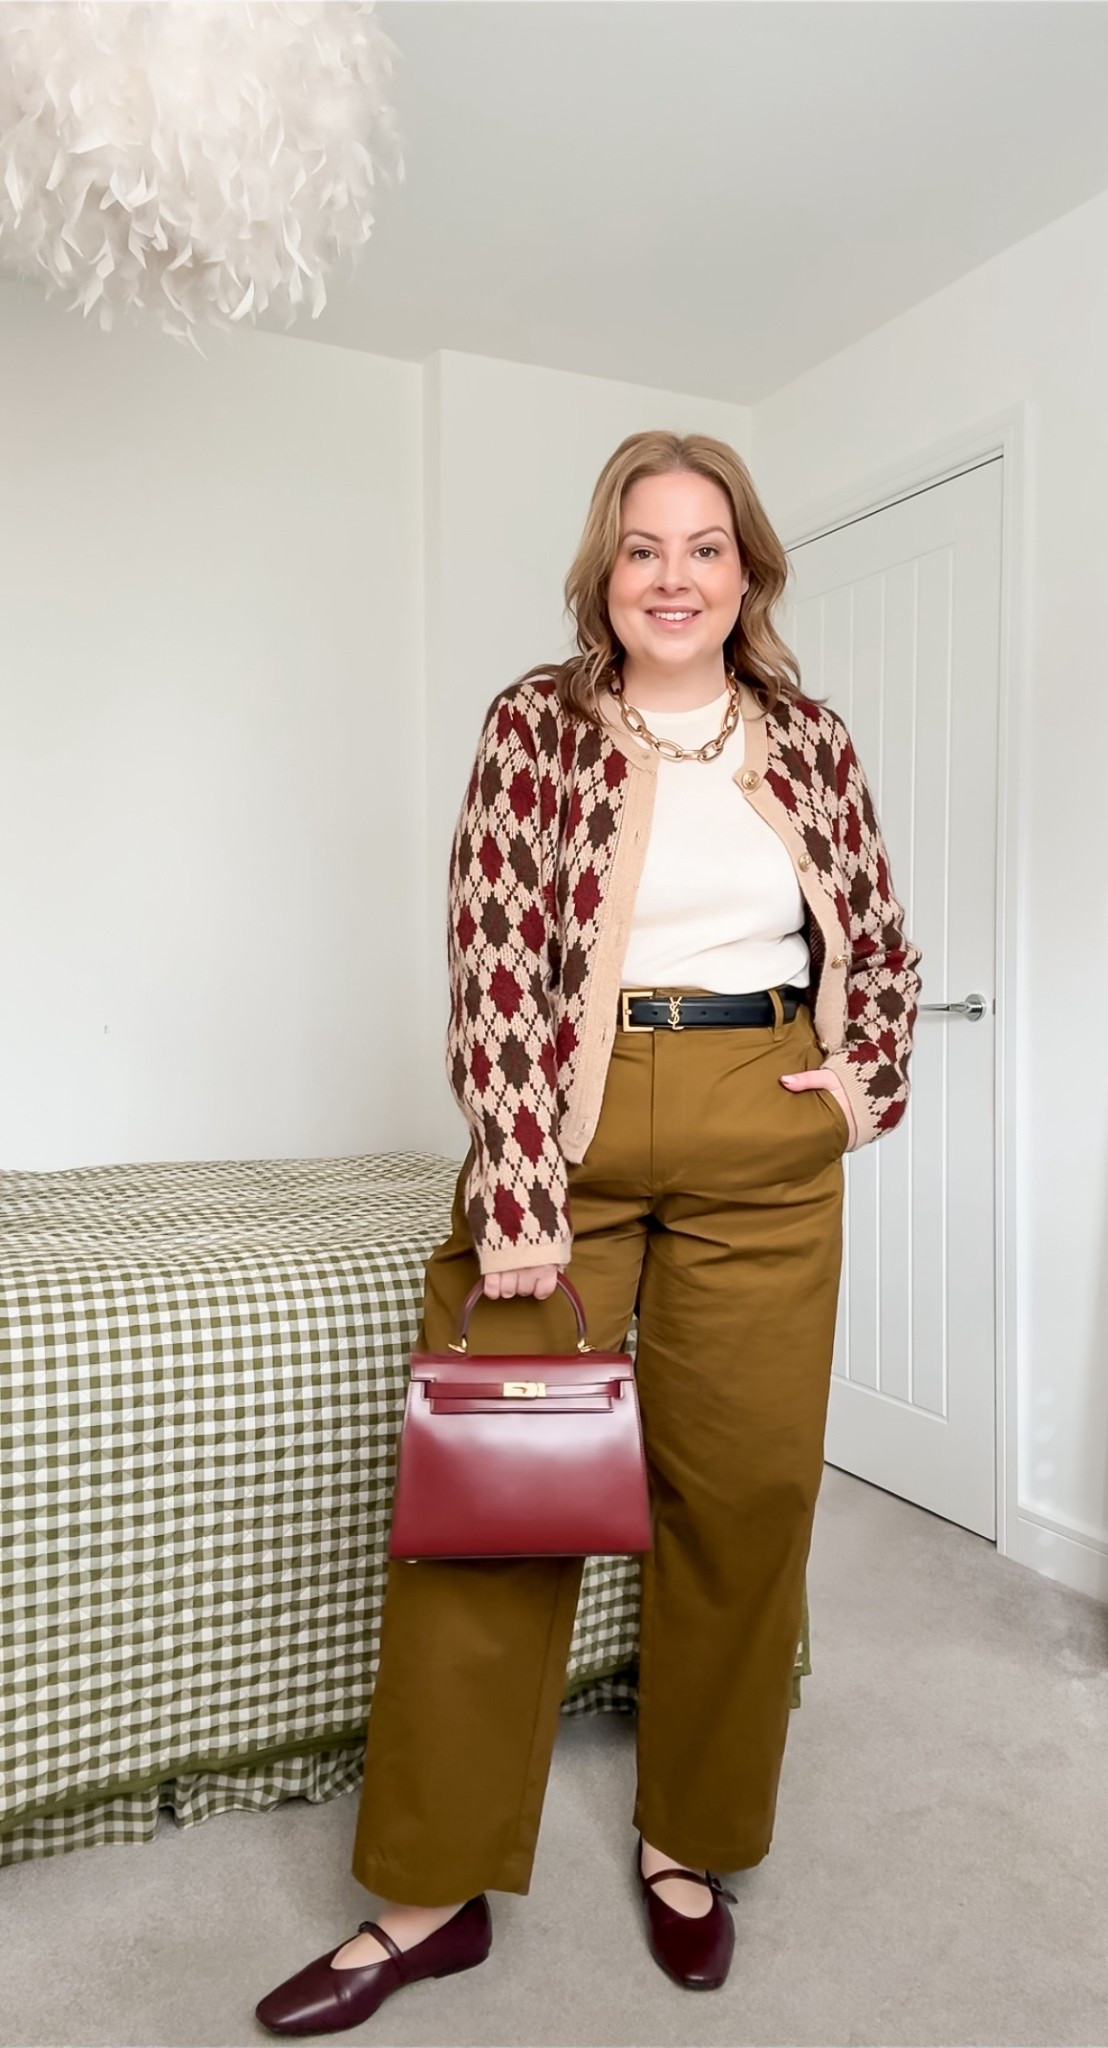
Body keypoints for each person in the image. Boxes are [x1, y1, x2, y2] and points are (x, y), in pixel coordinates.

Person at [255, 431, 922, 2034]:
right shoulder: (535, 729)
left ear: (747, 571)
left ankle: (691, 1838)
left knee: (744, 1499)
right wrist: (521, 1191)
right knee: (494, 1504)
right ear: (603, 573)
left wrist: (854, 1092)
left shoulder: (813, 742)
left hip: (762, 1122)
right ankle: (427, 1896)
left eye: (705, 547)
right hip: (569, 1126)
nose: (674, 577)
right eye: (643, 548)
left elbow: (884, 946)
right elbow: (489, 953)